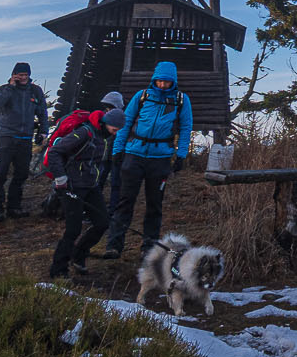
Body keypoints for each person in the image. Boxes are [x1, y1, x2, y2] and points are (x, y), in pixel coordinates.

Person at [103, 61, 192, 259]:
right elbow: (125, 123)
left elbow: (186, 128)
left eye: (167, 82)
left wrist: (181, 155)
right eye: (159, 81)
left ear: (173, 82)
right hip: (134, 154)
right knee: (125, 202)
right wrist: (118, 150)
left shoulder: (181, 100)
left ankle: (148, 247)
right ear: (154, 79)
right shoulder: (142, 96)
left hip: (160, 158)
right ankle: (114, 245)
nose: (162, 85)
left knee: (154, 204)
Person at [47, 108, 124, 279]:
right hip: (72, 186)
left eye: (119, 130)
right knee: (73, 230)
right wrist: (61, 178)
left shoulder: (103, 137)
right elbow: (55, 152)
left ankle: (79, 255)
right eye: (115, 128)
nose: (116, 132)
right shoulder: (85, 132)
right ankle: (58, 270)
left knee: (102, 222)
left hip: (91, 186)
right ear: (107, 123)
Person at [40, 91, 125, 216]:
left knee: (92, 186)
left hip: (94, 166)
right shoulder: (94, 127)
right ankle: (54, 208)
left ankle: (62, 208)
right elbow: (57, 151)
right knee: (75, 191)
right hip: (84, 169)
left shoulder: (108, 121)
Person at [0, 62, 48, 221]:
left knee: (21, 174)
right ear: (14, 75)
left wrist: (43, 131)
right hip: (5, 136)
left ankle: (14, 207)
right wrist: (11, 86)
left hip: (25, 137)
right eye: (19, 75)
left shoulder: (35, 91)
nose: (23, 78)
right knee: (1, 174)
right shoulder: (4, 90)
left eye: (25, 75)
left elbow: (42, 113)